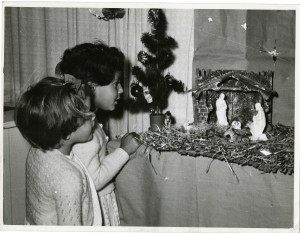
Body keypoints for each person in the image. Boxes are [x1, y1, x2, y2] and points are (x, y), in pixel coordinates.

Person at [57, 41, 142, 226]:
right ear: (92, 86)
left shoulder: (85, 122)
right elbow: (93, 180)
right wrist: (124, 151)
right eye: (116, 84)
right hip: (97, 207)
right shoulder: (83, 133)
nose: (120, 90)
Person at [15, 77, 100, 225]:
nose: (93, 118)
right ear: (66, 133)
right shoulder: (69, 178)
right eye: (87, 118)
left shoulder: (36, 152)